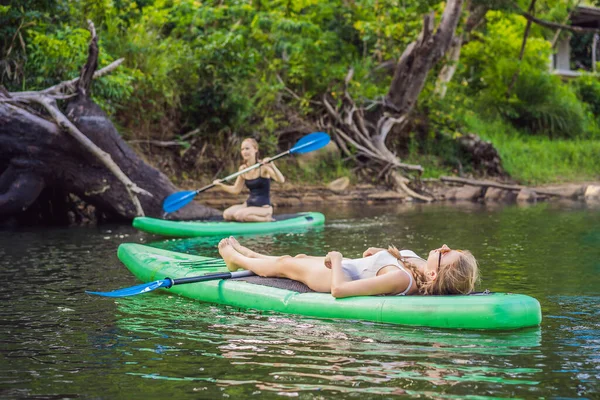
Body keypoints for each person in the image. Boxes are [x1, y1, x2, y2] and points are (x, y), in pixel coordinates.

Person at [218, 237, 479, 298]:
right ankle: (252, 254)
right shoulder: (420, 267)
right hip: (354, 266)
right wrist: (378, 254)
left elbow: (339, 290)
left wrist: (338, 258)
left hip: (337, 275)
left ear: (434, 274)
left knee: (287, 264)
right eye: (449, 248)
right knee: (295, 256)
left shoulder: (401, 279)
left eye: (446, 254)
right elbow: (394, 260)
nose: (443, 247)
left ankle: (237, 260)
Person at [213, 138, 285, 222]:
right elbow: (236, 190)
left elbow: (281, 180)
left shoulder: (263, 167)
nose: (244, 151)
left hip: (263, 208)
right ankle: (247, 216)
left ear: (255, 149)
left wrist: (272, 165)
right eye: (242, 149)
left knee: (239, 215)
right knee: (226, 214)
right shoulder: (243, 169)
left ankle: (266, 219)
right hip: (249, 205)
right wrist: (221, 185)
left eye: (247, 148)